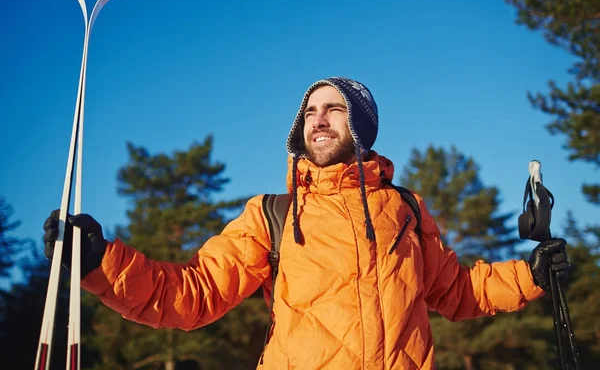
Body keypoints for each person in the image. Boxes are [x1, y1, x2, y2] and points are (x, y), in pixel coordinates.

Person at [43, 76, 570, 369]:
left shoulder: (406, 209)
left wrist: (530, 276)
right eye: (311, 110)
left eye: (334, 108)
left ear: (360, 125)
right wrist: (100, 262)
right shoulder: (273, 214)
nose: (318, 117)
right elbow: (193, 295)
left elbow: (456, 291)